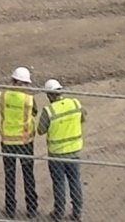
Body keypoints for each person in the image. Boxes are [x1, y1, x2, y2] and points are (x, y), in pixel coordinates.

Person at [0, 66, 39, 218]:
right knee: (28, 175)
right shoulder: (28, 99)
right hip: (25, 142)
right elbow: (34, 112)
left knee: (9, 176)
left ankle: (10, 209)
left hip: (7, 142)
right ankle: (32, 208)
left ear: (13, 80)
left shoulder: (2, 96)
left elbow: (0, 110)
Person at [41, 78, 84, 221]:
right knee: (75, 181)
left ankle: (59, 212)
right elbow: (82, 118)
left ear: (48, 95)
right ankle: (77, 212)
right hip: (74, 152)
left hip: (56, 154)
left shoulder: (49, 111)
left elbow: (41, 130)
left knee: (59, 183)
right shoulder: (75, 103)